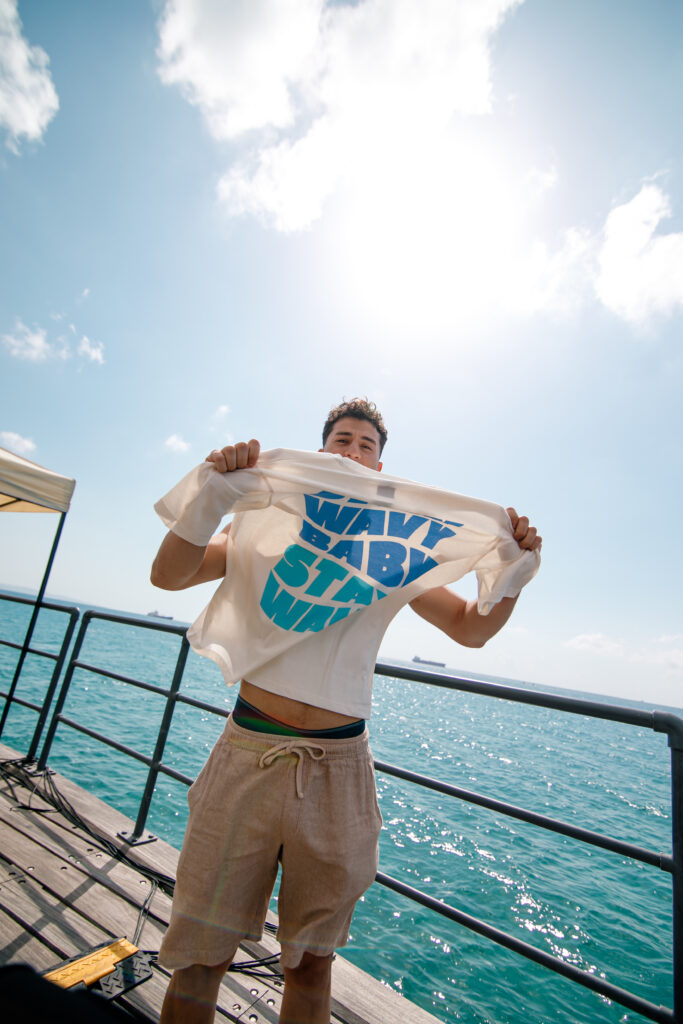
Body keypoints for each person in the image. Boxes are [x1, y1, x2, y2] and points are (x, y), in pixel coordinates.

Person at [151, 398, 541, 1024]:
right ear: (320, 451)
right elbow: (169, 576)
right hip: (247, 753)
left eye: (366, 446)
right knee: (201, 956)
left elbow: (470, 629)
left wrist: (512, 575)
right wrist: (212, 498)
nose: (352, 451)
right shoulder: (268, 518)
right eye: (342, 440)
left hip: (339, 772)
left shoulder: (396, 555)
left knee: (312, 965)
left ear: (379, 467)